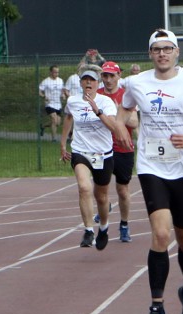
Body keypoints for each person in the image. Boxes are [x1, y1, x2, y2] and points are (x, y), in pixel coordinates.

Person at [116, 28, 183, 314]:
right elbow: (126, 108)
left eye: (167, 48)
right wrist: (121, 126)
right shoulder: (137, 83)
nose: (162, 53)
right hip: (152, 166)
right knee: (160, 233)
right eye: (157, 49)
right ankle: (156, 308)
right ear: (150, 54)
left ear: (177, 53)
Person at [61, 70, 119, 249]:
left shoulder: (106, 102)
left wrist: (98, 112)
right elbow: (69, 118)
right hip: (80, 151)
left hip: (102, 154)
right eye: (84, 80)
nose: (88, 83)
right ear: (80, 83)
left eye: (91, 80)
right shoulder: (73, 101)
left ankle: (103, 227)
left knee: (101, 197)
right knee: (84, 188)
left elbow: (113, 127)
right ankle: (88, 230)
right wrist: (63, 144)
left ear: (97, 83)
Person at [98, 60, 138, 242]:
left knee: (122, 189)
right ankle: (104, 208)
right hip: (100, 148)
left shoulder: (126, 96)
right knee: (100, 189)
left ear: (118, 76)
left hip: (123, 147)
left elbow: (134, 122)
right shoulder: (96, 95)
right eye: (104, 76)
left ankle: (124, 224)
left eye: (111, 76)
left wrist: (116, 112)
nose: (108, 80)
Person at [39, 65, 64, 142]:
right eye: (55, 72)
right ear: (50, 72)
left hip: (58, 104)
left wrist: (63, 95)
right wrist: (44, 96)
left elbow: (62, 90)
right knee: (54, 119)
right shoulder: (46, 81)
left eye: (57, 72)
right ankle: (54, 139)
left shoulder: (60, 80)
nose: (56, 74)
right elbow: (39, 91)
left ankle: (43, 126)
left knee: (57, 123)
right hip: (49, 104)